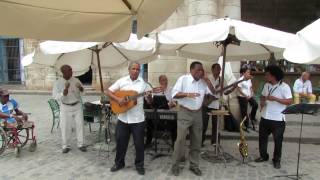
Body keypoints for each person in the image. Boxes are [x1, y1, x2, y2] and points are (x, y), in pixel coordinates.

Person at [106, 62, 152, 175]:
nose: (136, 71)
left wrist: (149, 97)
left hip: (138, 119)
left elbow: (150, 102)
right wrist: (118, 100)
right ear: (129, 69)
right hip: (123, 118)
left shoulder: (144, 84)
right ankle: (119, 163)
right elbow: (108, 91)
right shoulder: (122, 81)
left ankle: (139, 165)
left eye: (138, 69)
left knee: (139, 144)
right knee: (120, 142)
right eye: (133, 69)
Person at [171, 61, 215, 176]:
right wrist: (187, 94)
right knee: (180, 140)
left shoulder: (203, 82)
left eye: (202, 70)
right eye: (198, 70)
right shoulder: (183, 79)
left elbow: (214, 93)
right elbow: (174, 94)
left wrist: (208, 80)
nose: (200, 72)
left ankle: (194, 165)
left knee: (196, 141)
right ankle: (175, 165)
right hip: (184, 112)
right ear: (191, 70)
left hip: (198, 113)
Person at [255, 65, 292, 169]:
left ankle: (276, 160)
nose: (265, 76)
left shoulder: (284, 87)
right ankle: (263, 156)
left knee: (278, 141)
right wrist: (262, 102)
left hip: (278, 119)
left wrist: (275, 99)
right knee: (262, 138)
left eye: (267, 74)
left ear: (273, 76)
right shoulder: (266, 85)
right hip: (265, 116)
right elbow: (262, 96)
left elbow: (289, 101)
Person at [52, 65, 86, 153]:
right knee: (65, 126)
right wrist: (64, 92)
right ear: (63, 72)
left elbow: (83, 92)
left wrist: (81, 88)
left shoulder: (76, 80)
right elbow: (55, 96)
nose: (71, 72)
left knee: (80, 125)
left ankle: (81, 144)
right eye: (69, 70)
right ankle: (65, 145)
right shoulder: (58, 82)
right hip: (65, 107)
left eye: (71, 70)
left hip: (77, 105)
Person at [202, 63, 237, 146]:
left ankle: (214, 142)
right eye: (217, 68)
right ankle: (201, 141)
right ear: (212, 69)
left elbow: (226, 92)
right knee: (204, 124)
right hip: (207, 104)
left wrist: (233, 88)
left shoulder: (222, 80)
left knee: (216, 125)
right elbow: (203, 91)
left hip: (217, 105)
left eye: (220, 69)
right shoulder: (207, 79)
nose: (219, 70)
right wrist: (210, 96)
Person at [145, 75, 177, 148]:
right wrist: (149, 97)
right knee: (149, 121)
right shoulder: (156, 90)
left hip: (168, 113)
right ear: (160, 82)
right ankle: (148, 143)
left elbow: (175, 103)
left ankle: (174, 143)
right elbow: (151, 103)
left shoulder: (172, 89)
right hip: (157, 114)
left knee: (175, 123)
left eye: (166, 80)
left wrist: (171, 104)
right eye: (163, 80)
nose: (165, 81)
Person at [237, 67, 258, 131]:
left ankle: (252, 117)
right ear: (243, 73)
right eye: (247, 72)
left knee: (255, 105)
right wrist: (245, 95)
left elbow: (251, 88)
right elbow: (238, 89)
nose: (249, 73)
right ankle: (246, 125)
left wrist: (251, 93)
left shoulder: (249, 80)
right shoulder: (240, 79)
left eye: (249, 72)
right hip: (242, 96)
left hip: (249, 96)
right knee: (244, 111)